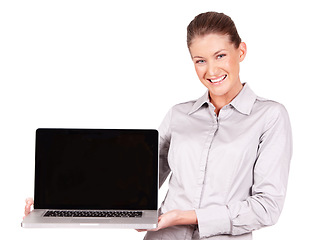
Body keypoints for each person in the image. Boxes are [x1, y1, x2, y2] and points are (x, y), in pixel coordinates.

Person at [24, 11, 292, 240]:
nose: (211, 71)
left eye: (220, 56)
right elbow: (132, 181)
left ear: (241, 51)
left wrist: (184, 217)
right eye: (200, 60)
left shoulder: (270, 116)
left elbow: (267, 207)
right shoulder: (179, 115)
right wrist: (61, 199)